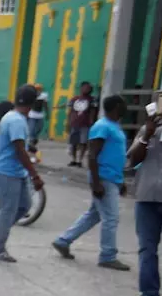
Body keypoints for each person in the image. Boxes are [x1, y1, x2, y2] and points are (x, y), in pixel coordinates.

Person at [51, 95, 130, 271]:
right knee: (111, 217)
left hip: (112, 177)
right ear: (116, 106)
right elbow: (92, 155)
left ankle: (63, 240)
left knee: (94, 214)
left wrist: (121, 181)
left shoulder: (114, 126)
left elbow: (115, 155)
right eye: (124, 104)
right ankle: (108, 255)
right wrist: (96, 183)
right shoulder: (102, 126)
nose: (127, 107)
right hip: (103, 177)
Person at [0, 85, 45, 262]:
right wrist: (35, 175)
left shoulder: (12, 117)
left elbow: (20, 146)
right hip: (8, 172)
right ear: (32, 103)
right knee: (8, 211)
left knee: (24, 206)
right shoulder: (16, 120)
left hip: (16, 172)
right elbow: (19, 150)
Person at [125, 96, 162, 296]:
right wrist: (147, 133)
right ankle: (149, 295)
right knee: (147, 248)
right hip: (147, 196)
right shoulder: (152, 127)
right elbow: (133, 159)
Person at [66, 81, 97, 167]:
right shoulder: (74, 99)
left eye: (88, 88)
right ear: (81, 88)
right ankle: (73, 159)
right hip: (74, 123)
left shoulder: (92, 100)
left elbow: (93, 112)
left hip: (85, 124)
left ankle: (80, 160)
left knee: (83, 142)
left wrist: (91, 124)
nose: (86, 89)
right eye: (85, 87)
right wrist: (68, 122)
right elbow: (70, 112)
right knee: (73, 142)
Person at [27, 84, 49, 156]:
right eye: (37, 89)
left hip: (40, 115)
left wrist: (47, 113)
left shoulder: (44, 96)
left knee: (39, 129)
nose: (38, 91)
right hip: (32, 115)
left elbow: (45, 105)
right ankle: (30, 143)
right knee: (31, 129)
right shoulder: (32, 96)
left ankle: (34, 141)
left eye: (39, 89)